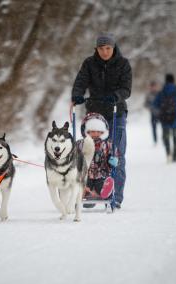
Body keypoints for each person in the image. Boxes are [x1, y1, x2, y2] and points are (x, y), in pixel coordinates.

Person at [71, 32, 132, 209]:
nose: (104, 52)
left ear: (113, 48)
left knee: (116, 155)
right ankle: (89, 191)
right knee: (89, 153)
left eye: (108, 48)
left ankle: (116, 196)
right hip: (95, 114)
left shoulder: (123, 64)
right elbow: (81, 82)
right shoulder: (89, 63)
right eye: (101, 49)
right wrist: (77, 94)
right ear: (96, 49)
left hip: (116, 112)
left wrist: (116, 96)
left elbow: (126, 89)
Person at [77, 113, 118, 207]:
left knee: (102, 185)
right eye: (92, 131)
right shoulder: (80, 144)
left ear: (104, 132)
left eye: (99, 132)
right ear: (87, 131)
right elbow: (73, 154)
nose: (95, 134)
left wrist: (113, 160)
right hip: (85, 175)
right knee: (82, 186)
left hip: (101, 174)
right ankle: (84, 192)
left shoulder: (107, 145)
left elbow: (114, 155)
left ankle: (106, 192)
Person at [144, 81, 160, 145]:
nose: (153, 88)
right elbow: (145, 104)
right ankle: (155, 140)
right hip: (153, 114)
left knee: (164, 127)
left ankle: (165, 138)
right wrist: (150, 108)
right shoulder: (148, 95)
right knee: (154, 128)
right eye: (152, 87)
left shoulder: (159, 94)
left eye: (154, 86)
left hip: (161, 114)